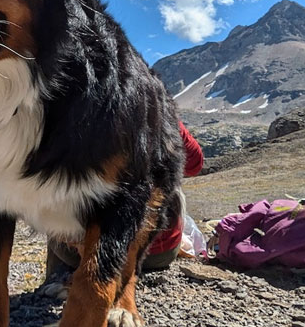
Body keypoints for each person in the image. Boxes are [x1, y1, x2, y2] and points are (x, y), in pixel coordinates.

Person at [43, 121, 205, 282]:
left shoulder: (80, 113)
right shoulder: (160, 111)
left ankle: (52, 281)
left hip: (88, 255)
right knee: (171, 182)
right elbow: (194, 165)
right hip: (157, 253)